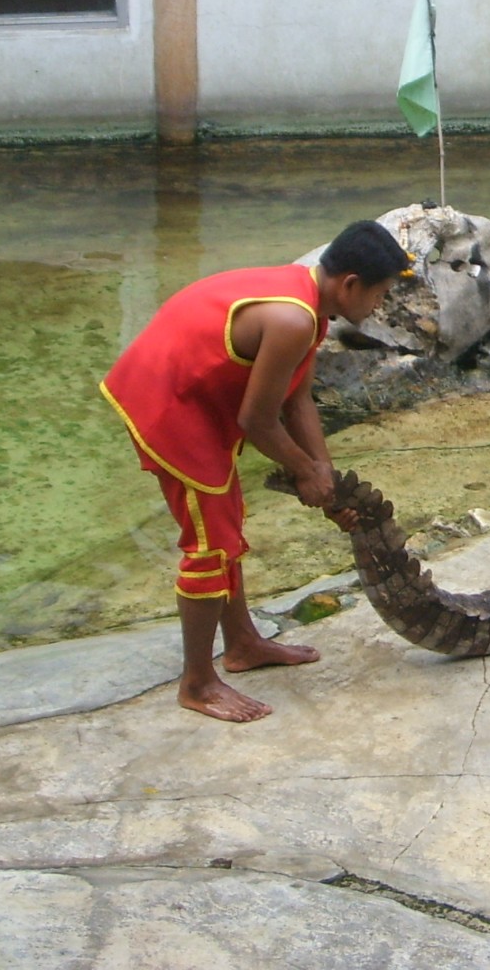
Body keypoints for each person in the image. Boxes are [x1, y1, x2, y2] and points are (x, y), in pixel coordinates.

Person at [100, 219, 412, 723]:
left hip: (199, 397)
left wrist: (326, 481)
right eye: (380, 294)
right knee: (209, 545)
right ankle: (197, 683)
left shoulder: (311, 307)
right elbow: (257, 420)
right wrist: (304, 472)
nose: (380, 306)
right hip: (171, 402)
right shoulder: (291, 321)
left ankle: (242, 643)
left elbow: (297, 401)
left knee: (226, 523)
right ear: (351, 284)